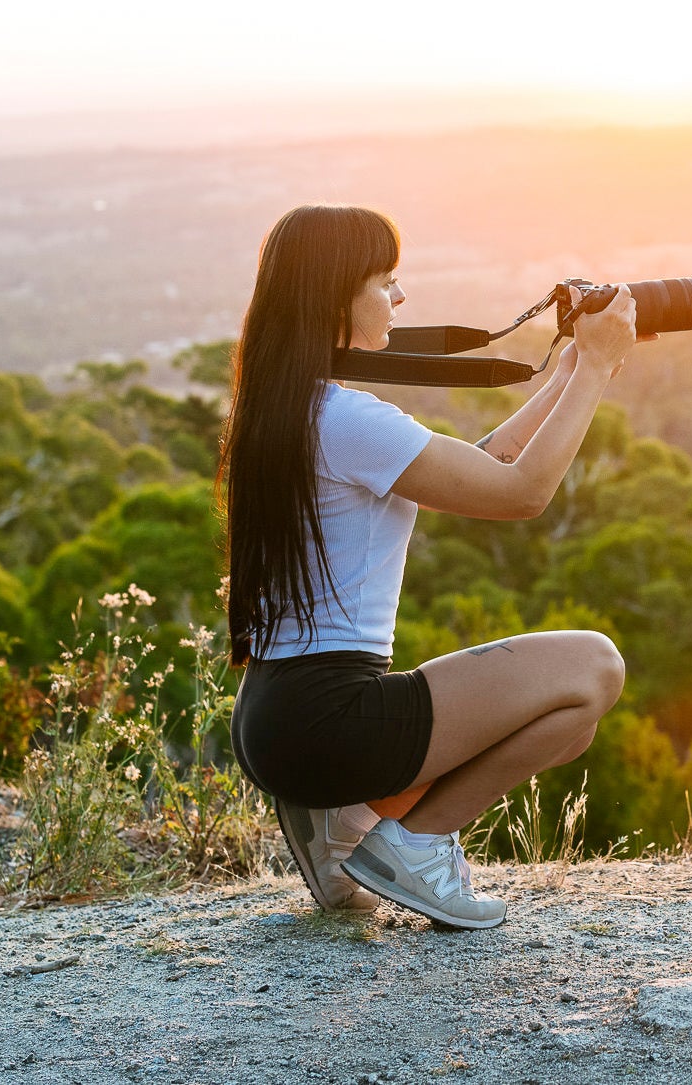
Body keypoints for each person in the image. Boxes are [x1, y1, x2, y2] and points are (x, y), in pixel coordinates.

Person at [223, 204, 635, 927]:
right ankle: (413, 842)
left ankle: (347, 823)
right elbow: (523, 492)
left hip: (275, 717)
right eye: (385, 281)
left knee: (571, 723)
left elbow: (485, 465)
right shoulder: (346, 418)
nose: (400, 298)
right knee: (594, 668)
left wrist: (568, 369)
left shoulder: (285, 410)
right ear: (333, 297)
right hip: (328, 718)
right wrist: (599, 365)